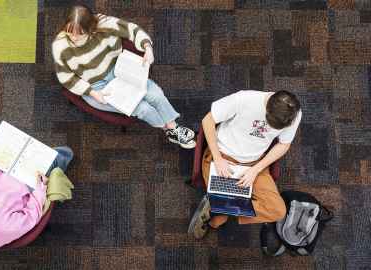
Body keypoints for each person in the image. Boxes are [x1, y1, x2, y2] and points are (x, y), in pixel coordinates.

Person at [52, 5, 195, 149]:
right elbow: (66, 78)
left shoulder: (104, 24)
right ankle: (168, 129)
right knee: (143, 109)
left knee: (156, 95)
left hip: (119, 71)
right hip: (95, 87)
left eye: (80, 33)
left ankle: (173, 128)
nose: (74, 38)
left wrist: (148, 48)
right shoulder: (60, 46)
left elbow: (133, 30)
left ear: (91, 27)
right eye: (70, 32)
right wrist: (92, 93)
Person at [188, 90, 302, 239]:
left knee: (278, 211)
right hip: (223, 157)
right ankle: (223, 210)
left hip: (255, 164)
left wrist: (255, 170)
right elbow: (207, 120)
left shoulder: (293, 114)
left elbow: (284, 144)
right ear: (267, 108)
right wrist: (218, 157)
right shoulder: (243, 99)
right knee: (224, 206)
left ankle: (222, 210)